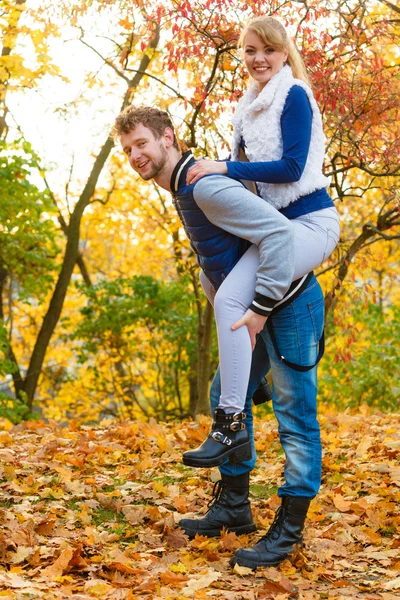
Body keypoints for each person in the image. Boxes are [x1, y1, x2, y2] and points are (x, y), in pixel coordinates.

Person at [113, 98, 327, 567]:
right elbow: (220, 263)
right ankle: (234, 506)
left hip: (288, 306)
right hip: (256, 311)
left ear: (167, 136)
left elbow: (279, 236)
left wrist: (261, 306)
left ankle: (288, 533)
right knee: (223, 393)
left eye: (141, 143)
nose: (135, 156)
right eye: (127, 149)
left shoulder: (203, 185)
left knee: (296, 420)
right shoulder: (183, 191)